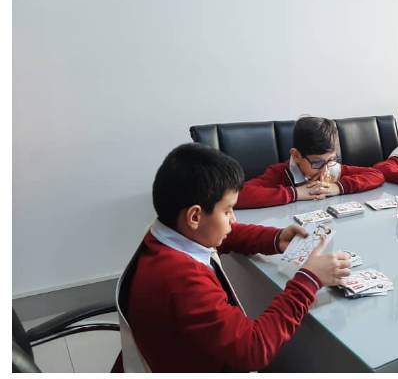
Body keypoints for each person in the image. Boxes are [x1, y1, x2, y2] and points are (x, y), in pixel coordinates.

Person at [125, 143, 352, 372]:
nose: (233, 219)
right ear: (194, 216)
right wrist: (308, 280)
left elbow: (226, 234)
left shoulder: (168, 233)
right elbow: (253, 350)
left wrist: (276, 238)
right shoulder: (183, 279)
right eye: (227, 211)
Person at [236, 116, 384, 209]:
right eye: (317, 163)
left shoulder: (332, 168)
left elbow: (376, 174)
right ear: (296, 155)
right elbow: (238, 195)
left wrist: (337, 187)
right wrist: (295, 193)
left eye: (331, 160)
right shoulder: (279, 173)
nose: (325, 171)